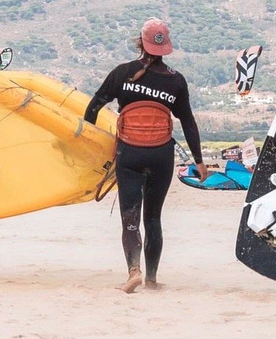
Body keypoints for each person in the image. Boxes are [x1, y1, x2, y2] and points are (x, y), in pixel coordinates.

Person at [84, 18, 208, 293]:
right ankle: (151, 279)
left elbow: (93, 107)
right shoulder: (175, 81)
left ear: (141, 42)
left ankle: (134, 271)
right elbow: (188, 122)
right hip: (161, 156)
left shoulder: (122, 73)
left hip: (130, 154)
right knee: (153, 218)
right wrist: (198, 161)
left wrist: (89, 144)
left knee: (130, 218)